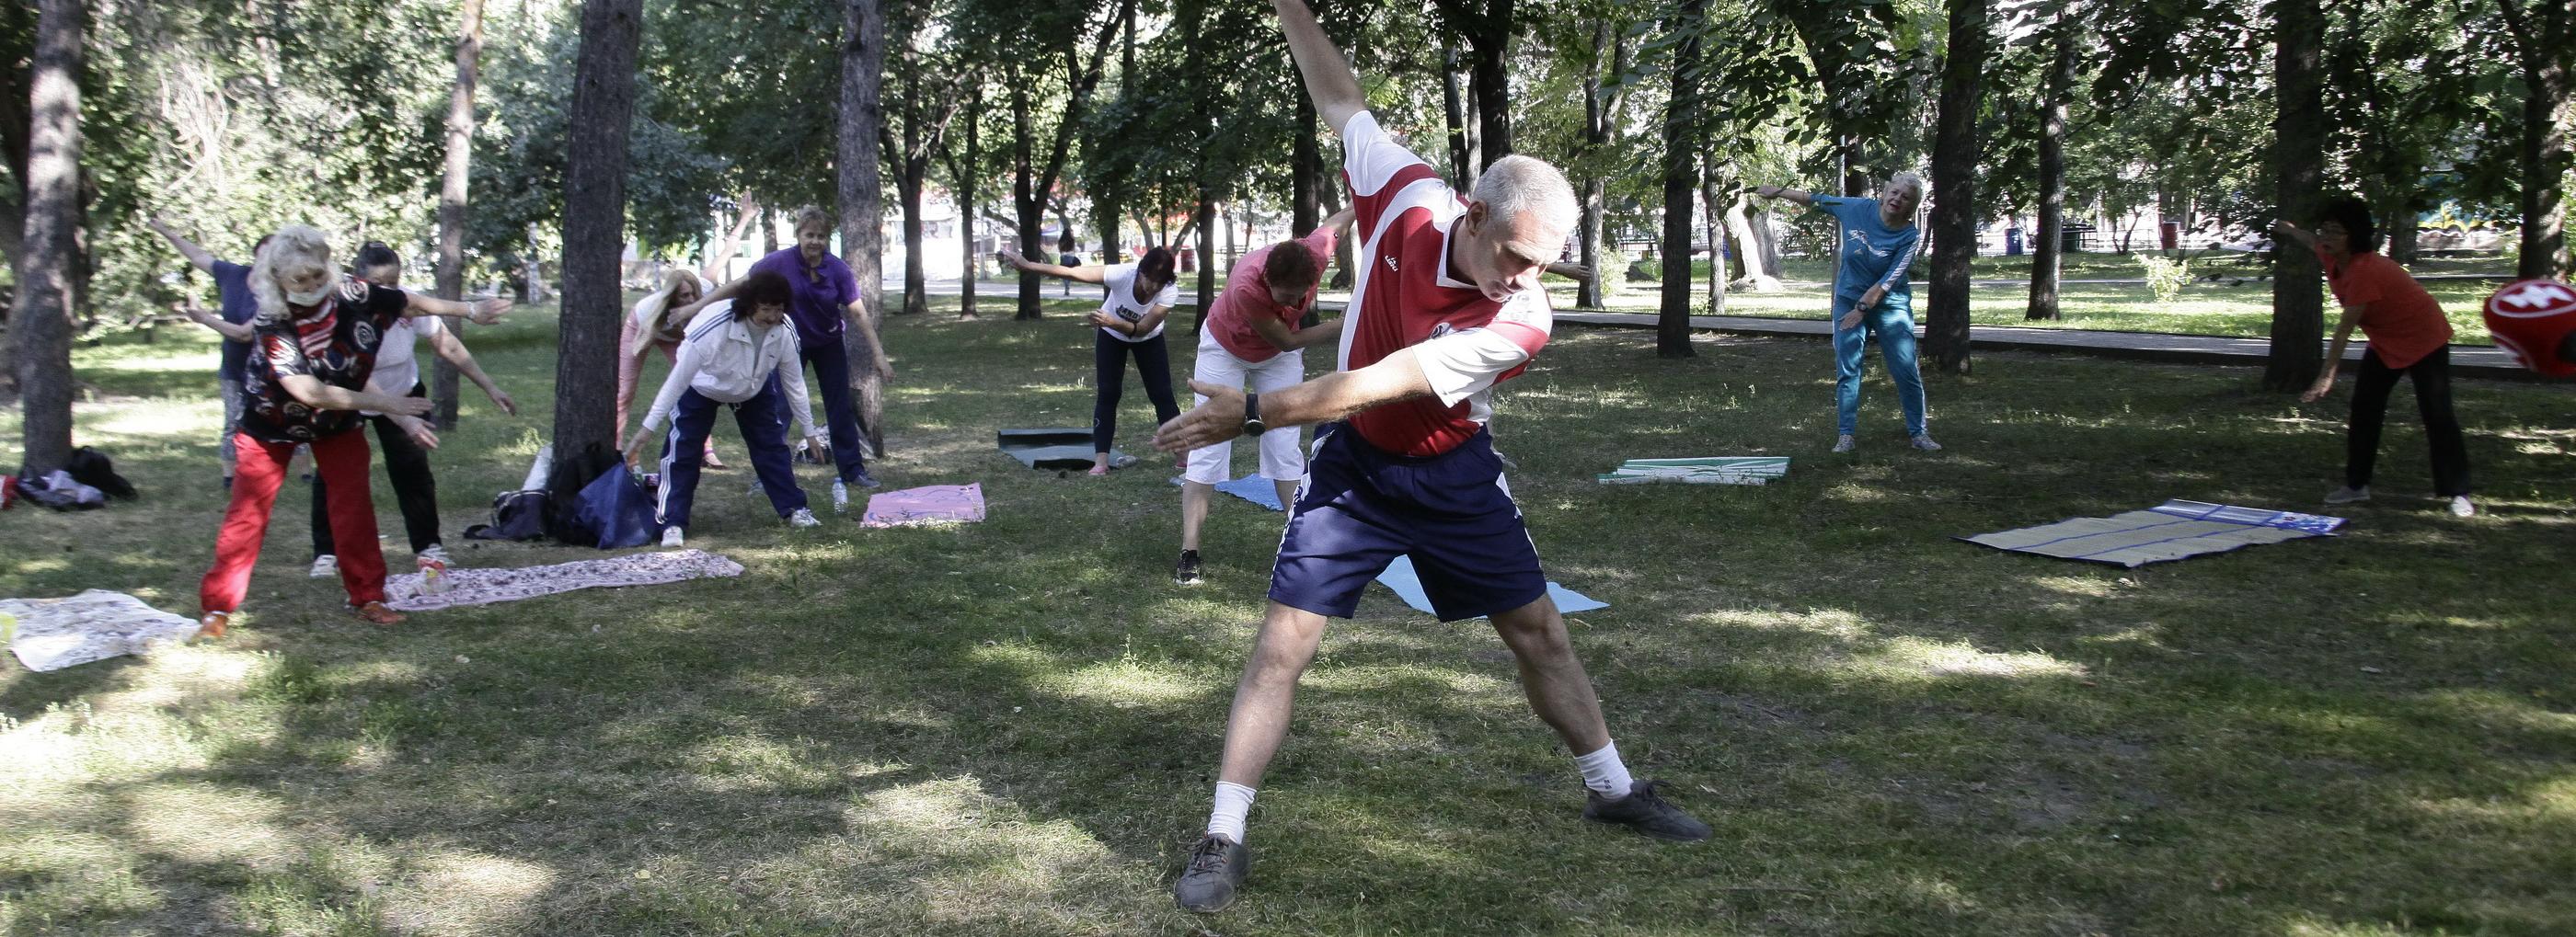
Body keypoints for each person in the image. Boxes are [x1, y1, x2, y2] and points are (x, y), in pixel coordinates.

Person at [1150, 0, 1708, 913]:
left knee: (1538, 632)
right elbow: (1340, 99)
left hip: (1450, 473)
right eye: (1516, 256)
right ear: (1475, 212)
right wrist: (1291, 7)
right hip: (1354, 471)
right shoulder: (1408, 194)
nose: (1525, 279)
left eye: (1542, 265)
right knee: (1281, 644)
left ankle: (1612, 786)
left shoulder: (1522, 318)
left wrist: (1251, 413)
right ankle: (1224, 832)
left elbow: (1388, 377)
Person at [196, 226, 512, 638]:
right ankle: (217, 610)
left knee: (353, 508)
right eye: (300, 280)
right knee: (247, 515)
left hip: (336, 423)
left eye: (316, 276)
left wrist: (469, 310)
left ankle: (368, 597)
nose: (311, 286)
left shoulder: (352, 293)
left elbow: (407, 302)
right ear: (277, 280)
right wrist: (391, 405)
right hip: (271, 422)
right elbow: (311, 392)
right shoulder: (274, 324)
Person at [305, 243, 519, 579]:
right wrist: (402, 419)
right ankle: (326, 552)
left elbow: (445, 343)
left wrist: (490, 386)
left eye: (394, 281)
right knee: (335, 474)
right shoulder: (344, 309)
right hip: (353, 395)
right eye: (380, 283)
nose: (388, 290)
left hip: (404, 390)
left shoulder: (405, 303)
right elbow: (360, 378)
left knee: (412, 471)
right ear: (359, 280)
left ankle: (427, 547)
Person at [1173, 207, 1355, 585]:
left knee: (1285, 445)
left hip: (1275, 360)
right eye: (1286, 295)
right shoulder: (1246, 285)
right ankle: (1189, 552)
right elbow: (1286, 339)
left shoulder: (1314, 253)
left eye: (1300, 295)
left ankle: (1300, 549)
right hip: (1226, 348)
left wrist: (1368, 197)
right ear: (1268, 279)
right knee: (1209, 442)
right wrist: (1346, 322)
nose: (1293, 303)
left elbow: (1341, 219)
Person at [672, 207, 895, 510]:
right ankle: (769, 476)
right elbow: (739, 285)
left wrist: (878, 355)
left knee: (839, 406)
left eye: (821, 236)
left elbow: (857, 312)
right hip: (787, 342)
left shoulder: (838, 270)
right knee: (778, 406)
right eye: (809, 235)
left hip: (828, 343)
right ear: (799, 235)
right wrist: (692, 309)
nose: (815, 241)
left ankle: (852, 470)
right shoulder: (778, 262)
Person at [2275, 200, 2474, 517]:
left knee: (2437, 413)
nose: (2327, 237)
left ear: (2354, 236)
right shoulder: (2330, 254)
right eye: (2325, 229)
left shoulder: (2366, 271)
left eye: (2336, 231)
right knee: (2365, 407)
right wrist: (2287, 229)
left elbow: (2343, 331)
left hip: (2425, 337)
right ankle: (2356, 486)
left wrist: (2326, 375)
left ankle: (2458, 492)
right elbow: (2310, 240)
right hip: (2386, 340)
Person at [622, 270, 825, 546]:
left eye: (779, 310)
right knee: (683, 452)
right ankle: (672, 522)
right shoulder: (714, 327)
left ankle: (795, 509)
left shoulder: (784, 330)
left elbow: (794, 383)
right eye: (766, 309)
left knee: (771, 447)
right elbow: (677, 381)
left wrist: (810, 430)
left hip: (752, 388)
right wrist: (647, 429)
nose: (772, 317)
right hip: (701, 385)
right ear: (751, 304)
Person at [1754, 175, 1939, 453]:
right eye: (1895, 192)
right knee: (1848, 367)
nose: (1897, 199)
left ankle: (1919, 433)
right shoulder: (1856, 208)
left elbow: (1889, 281)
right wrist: (1778, 191)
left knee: (1905, 369)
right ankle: (1846, 436)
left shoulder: (1909, 236)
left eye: (1905, 198)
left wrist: (1862, 310)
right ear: (1884, 193)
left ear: (1911, 207)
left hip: (1890, 306)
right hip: (1848, 299)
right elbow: (1813, 199)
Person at [998, 245, 1184, 475]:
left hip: (1147, 338)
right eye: (1152, 280)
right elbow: (1073, 272)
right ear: (1141, 272)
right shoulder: (1122, 275)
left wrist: (1111, 321)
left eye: (1161, 282)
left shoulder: (1168, 291)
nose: (1155, 287)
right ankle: (1101, 461)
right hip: (1111, 336)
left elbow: (1142, 329)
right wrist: (1028, 265)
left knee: (1162, 395)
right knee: (1108, 393)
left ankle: (1182, 457)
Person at [145, 215, 268, 488]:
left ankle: (301, 474)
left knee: (275, 420)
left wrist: (204, 319)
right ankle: (229, 477)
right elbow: (199, 257)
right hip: (234, 366)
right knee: (232, 422)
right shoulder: (234, 275)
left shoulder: (280, 292)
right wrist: (167, 232)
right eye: (263, 255)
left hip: (269, 367)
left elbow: (245, 333)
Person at [621, 268, 731, 469]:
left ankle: (705, 452)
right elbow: (641, 340)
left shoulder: (704, 291)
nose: (691, 300)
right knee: (625, 392)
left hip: (676, 337)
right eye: (684, 295)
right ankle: (617, 452)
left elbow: (722, 260)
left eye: (693, 294)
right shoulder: (650, 308)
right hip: (644, 328)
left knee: (696, 389)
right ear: (671, 297)